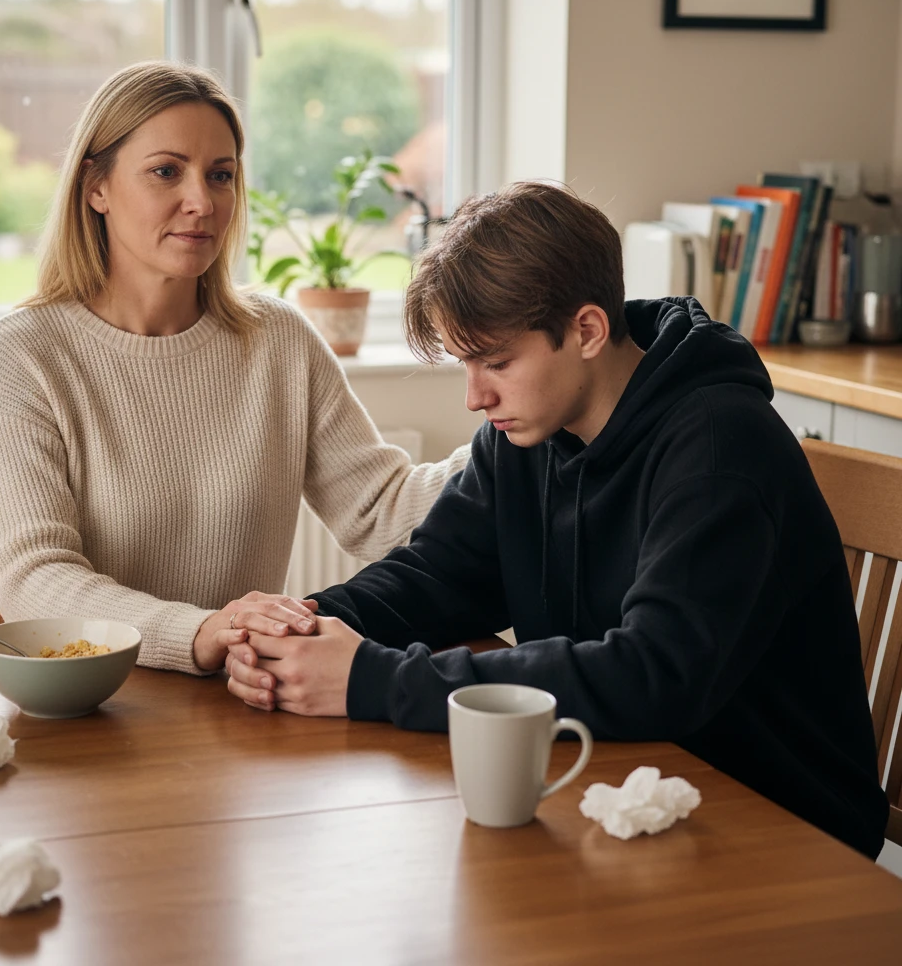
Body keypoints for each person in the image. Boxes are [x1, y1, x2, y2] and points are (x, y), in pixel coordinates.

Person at [224, 180, 889, 859]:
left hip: (775, 828)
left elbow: (653, 674)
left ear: (588, 331)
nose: (475, 396)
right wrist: (297, 623)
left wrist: (374, 680)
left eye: (497, 362)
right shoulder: (526, 435)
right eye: (466, 363)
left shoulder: (720, 447)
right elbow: (440, 573)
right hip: (622, 785)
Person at [0, 60, 468, 677]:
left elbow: (380, 512)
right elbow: (33, 579)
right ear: (95, 186)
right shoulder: (22, 356)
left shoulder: (277, 339)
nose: (202, 201)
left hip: (245, 699)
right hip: (97, 709)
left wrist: (516, 430)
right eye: (165, 171)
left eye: (221, 174)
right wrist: (198, 631)